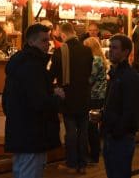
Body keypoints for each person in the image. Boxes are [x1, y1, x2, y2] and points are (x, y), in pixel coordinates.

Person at [3, 23, 65, 178]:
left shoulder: (20, 64)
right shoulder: (33, 67)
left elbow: (7, 101)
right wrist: (56, 97)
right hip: (33, 133)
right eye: (44, 41)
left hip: (22, 131)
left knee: (22, 170)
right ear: (31, 42)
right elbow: (39, 102)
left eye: (48, 40)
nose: (48, 44)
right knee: (30, 172)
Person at [50, 22, 93, 173]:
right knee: (83, 130)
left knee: (71, 132)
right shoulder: (87, 50)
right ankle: (83, 164)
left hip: (68, 96)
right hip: (84, 95)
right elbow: (89, 73)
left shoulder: (60, 51)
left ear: (62, 34)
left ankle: (72, 163)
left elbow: (52, 74)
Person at [102, 34, 139, 178]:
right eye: (110, 47)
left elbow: (130, 110)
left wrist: (117, 130)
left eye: (114, 48)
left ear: (125, 52)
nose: (110, 51)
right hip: (112, 134)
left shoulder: (129, 77)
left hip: (120, 137)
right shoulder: (115, 74)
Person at [84, 36, 109, 165]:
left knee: (91, 126)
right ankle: (95, 152)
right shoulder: (100, 59)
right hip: (99, 95)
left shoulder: (95, 60)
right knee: (93, 125)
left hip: (95, 95)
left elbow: (90, 79)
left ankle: (94, 155)